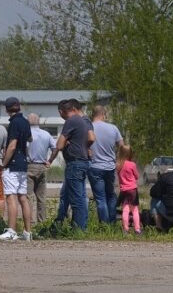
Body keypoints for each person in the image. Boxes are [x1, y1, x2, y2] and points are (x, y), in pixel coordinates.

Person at [0, 97, 33, 241]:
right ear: (19, 107)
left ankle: (11, 231)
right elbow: (30, 140)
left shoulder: (14, 124)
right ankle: (28, 232)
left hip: (13, 165)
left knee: (11, 197)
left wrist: (4, 164)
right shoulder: (25, 122)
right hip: (23, 164)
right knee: (23, 197)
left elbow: (12, 146)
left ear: (7, 109)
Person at [55, 98, 96, 231]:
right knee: (79, 197)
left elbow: (59, 145)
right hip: (83, 161)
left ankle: (79, 229)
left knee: (77, 199)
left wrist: (64, 141)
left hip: (75, 163)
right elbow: (89, 138)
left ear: (62, 111)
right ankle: (75, 226)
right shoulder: (82, 120)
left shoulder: (71, 121)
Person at [88, 106, 124, 224]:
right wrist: (119, 160)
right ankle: (112, 222)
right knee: (111, 195)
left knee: (100, 198)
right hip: (110, 167)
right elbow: (122, 146)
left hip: (95, 166)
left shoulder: (88, 128)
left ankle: (104, 224)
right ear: (103, 114)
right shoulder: (113, 128)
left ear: (93, 114)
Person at [26, 113, 59, 223]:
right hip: (42, 167)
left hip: (29, 166)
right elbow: (55, 149)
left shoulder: (26, 134)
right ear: (38, 121)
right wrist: (50, 161)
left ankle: (29, 222)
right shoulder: (46, 134)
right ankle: (42, 222)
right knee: (41, 197)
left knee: (28, 197)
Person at [116, 144, 141, 235]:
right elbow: (137, 176)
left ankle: (125, 229)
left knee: (125, 209)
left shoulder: (118, 165)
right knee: (134, 210)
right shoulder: (132, 164)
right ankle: (137, 229)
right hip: (132, 190)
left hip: (123, 190)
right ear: (130, 154)